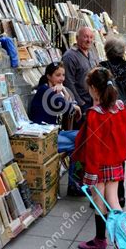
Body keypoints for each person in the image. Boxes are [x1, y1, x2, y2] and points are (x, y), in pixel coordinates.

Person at [72, 66, 126, 249]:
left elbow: (93, 147)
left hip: (99, 165)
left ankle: (102, 240)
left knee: (100, 203)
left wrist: (90, 173)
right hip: (115, 162)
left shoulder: (95, 114)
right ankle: (122, 247)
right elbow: (123, 135)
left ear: (94, 89)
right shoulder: (120, 107)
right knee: (114, 202)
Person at [100, 36, 126, 207]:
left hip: (107, 116)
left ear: (107, 51)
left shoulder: (102, 67)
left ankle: (105, 195)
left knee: (105, 155)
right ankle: (120, 194)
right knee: (120, 153)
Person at [29, 61, 82, 195]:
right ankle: (74, 185)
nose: (62, 78)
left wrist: (63, 89)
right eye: (58, 75)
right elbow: (68, 107)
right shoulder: (45, 90)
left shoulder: (51, 89)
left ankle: (75, 184)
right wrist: (75, 107)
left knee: (81, 137)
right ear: (48, 76)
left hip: (52, 133)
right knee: (80, 142)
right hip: (45, 138)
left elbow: (70, 102)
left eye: (63, 75)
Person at [62, 27, 100, 115]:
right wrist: (80, 103)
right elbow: (68, 82)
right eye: (86, 37)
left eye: (91, 37)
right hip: (82, 104)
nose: (89, 40)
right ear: (77, 38)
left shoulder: (92, 53)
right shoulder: (69, 56)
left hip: (93, 101)